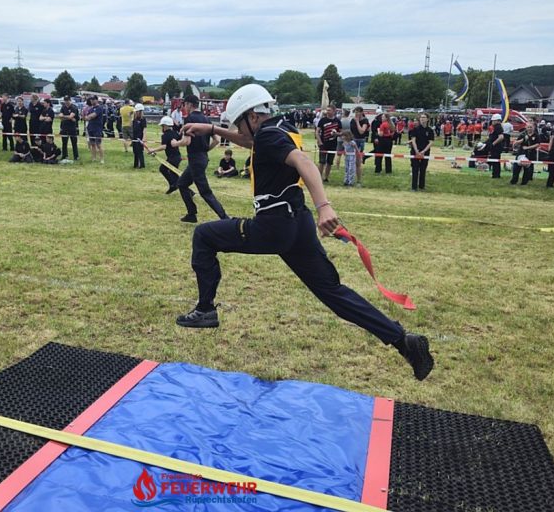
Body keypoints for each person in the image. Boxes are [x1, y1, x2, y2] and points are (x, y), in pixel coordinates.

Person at [176, 84, 434, 381]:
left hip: (273, 226)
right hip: (298, 224)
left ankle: (206, 310)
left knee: (204, 236)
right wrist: (213, 129)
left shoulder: (270, 135)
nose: (239, 129)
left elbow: (303, 162)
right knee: (333, 292)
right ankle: (404, 342)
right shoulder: (279, 129)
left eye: (239, 122)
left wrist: (325, 205)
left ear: (253, 117)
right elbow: (252, 142)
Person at [176, 94, 228, 223]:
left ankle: (225, 218)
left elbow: (187, 141)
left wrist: (175, 143)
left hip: (195, 160)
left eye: (185, 105)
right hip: (202, 158)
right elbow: (217, 140)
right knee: (182, 184)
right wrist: (205, 150)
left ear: (189, 104)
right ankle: (191, 214)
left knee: (205, 192)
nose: (184, 107)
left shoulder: (189, 119)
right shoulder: (206, 119)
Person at [147, 115, 183, 193]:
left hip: (173, 158)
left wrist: (153, 150)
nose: (162, 127)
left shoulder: (165, 135)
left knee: (172, 174)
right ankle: (173, 185)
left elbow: (164, 147)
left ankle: (187, 190)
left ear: (165, 126)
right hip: (175, 157)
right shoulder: (175, 133)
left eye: (162, 126)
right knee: (165, 170)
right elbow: (180, 138)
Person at [409, 112, 435, 190]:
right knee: (415, 169)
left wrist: (424, 151)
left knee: (423, 169)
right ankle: (414, 187)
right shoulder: (415, 129)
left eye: (424, 117)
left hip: (425, 152)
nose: (422, 119)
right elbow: (413, 140)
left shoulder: (430, 130)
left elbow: (431, 142)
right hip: (415, 151)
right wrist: (417, 150)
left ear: (427, 119)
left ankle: (421, 186)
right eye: (421, 117)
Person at [315, 105, 341, 182]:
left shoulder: (337, 121)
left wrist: (337, 134)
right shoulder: (323, 120)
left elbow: (341, 132)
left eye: (329, 110)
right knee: (322, 161)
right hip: (323, 143)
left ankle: (326, 177)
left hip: (333, 144)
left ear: (334, 111)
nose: (327, 112)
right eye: (327, 110)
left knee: (329, 162)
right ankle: (319, 177)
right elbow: (317, 131)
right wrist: (319, 141)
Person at [510, 120, 541, 185]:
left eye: (531, 127)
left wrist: (528, 148)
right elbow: (517, 142)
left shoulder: (536, 135)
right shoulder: (523, 134)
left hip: (530, 154)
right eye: (528, 127)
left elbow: (537, 144)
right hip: (521, 153)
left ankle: (524, 182)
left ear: (534, 128)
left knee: (527, 169)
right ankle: (514, 181)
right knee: (516, 168)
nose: (529, 128)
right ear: (526, 127)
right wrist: (517, 142)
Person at [349, 107, 369, 186]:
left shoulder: (364, 121)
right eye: (355, 112)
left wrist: (357, 122)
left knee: (358, 162)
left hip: (360, 140)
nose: (356, 114)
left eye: (358, 112)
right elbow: (351, 131)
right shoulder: (352, 121)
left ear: (361, 112)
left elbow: (361, 131)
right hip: (353, 140)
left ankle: (359, 180)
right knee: (351, 161)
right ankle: (350, 179)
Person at [84, 96, 106, 163]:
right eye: (91, 100)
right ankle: (94, 158)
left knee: (98, 144)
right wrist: (88, 117)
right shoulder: (90, 109)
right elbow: (85, 117)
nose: (92, 101)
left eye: (93, 100)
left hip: (97, 128)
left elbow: (93, 115)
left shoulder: (99, 108)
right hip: (90, 128)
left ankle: (102, 159)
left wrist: (89, 116)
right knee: (92, 144)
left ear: (96, 100)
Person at [58, 96, 80, 163]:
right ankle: (64, 155)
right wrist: (68, 117)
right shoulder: (63, 107)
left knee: (74, 143)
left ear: (70, 100)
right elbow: (60, 116)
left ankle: (76, 156)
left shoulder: (74, 107)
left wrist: (64, 117)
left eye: (67, 100)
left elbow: (71, 116)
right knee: (64, 143)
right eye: (65, 100)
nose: (66, 102)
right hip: (64, 127)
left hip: (72, 128)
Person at [485, 114, 506, 179]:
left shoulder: (498, 127)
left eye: (493, 121)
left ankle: (496, 175)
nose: (492, 122)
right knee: (495, 161)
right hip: (495, 147)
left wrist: (493, 144)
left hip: (496, 147)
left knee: (495, 161)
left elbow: (501, 137)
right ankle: (495, 174)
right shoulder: (496, 127)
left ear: (497, 120)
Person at [131, 103, 147, 168]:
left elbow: (144, 129)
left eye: (137, 111)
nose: (136, 113)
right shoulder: (134, 119)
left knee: (139, 151)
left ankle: (142, 165)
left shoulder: (143, 119)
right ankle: (135, 164)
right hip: (134, 137)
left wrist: (144, 137)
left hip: (140, 137)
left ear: (140, 111)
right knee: (135, 151)